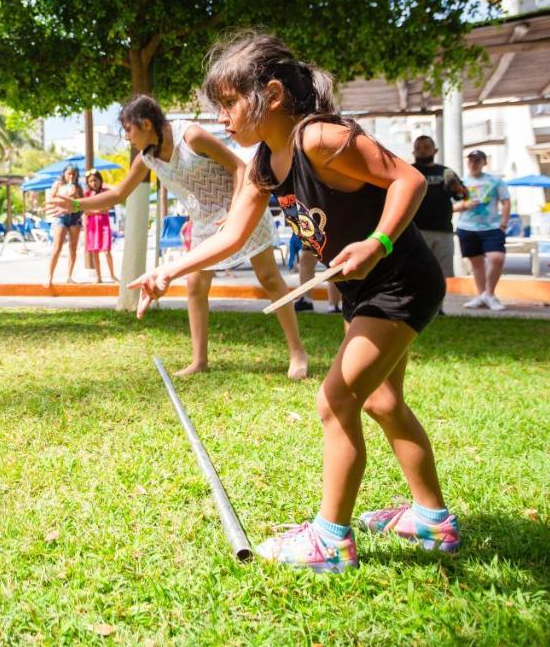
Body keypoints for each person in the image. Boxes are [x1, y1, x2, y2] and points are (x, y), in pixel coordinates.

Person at [132, 30, 456, 572]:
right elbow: (232, 235)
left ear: (273, 94)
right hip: (366, 288)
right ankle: (432, 519)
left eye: (230, 103)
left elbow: (408, 180)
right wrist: (168, 269)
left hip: (399, 280)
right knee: (379, 401)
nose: (222, 118)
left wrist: (377, 243)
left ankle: (331, 542)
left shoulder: (320, 139)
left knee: (335, 401)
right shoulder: (263, 163)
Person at [53, 94, 309, 379]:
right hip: (204, 222)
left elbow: (240, 168)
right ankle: (199, 360)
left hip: (239, 208)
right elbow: (117, 194)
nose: (127, 138)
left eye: (128, 129)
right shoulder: (146, 158)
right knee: (195, 287)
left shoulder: (191, 136)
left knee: (270, 278)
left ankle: (297, 352)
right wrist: (75, 205)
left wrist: (236, 212)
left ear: (146, 123)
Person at [456, 150, 511, 311]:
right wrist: (464, 206)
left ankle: (490, 293)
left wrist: (503, 224)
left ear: (484, 163)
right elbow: (451, 206)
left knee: (497, 258)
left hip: (492, 227)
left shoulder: (495, 181)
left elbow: (506, 202)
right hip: (467, 227)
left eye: (477, 161)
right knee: (476, 263)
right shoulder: (461, 183)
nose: (473, 164)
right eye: (471, 161)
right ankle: (482, 295)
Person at [411, 135, 466, 279]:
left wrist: (457, 187)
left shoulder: (446, 172)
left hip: (443, 231)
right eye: (418, 148)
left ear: (435, 150)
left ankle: (440, 302)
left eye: (426, 147)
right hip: (416, 232)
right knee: (417, 274)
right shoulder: (408, 172)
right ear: (413, 152)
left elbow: (462, 196)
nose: (422, 151)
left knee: (443, 275)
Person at [46, 166, 84, 286]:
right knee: (57, 247)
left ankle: (69, 276)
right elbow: (51, 198)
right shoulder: (58, 184)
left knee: (73, 248)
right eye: (69, 173)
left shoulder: (78, 187)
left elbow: (82, 204)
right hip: (61, 217)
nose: (71, 176)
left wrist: (76, 195)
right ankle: (50, 277)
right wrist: (63, 198)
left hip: (74, 217)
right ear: (64, 174)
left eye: (74, 174)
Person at [83, 169, 116, 283]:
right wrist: (98, 210)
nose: (93, 183)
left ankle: (112, 275)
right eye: (91, 181)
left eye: (95, 180)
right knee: (95, 251)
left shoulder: (105, 192)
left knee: (107, 251)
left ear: (100, 180)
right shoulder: (87, 195)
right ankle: (99, 277)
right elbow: (86, 211)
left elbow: (106, 208)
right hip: (92, 226)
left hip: (104, 225)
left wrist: (93, 210)